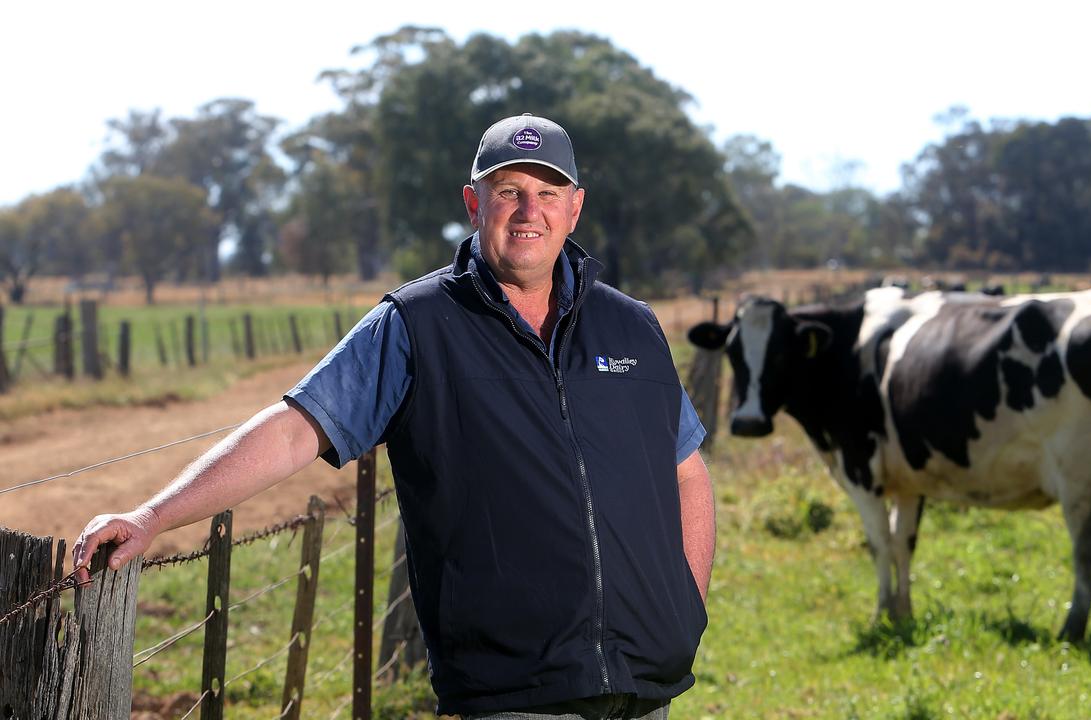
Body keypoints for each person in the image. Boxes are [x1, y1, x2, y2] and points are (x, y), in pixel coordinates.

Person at [72, 113, 714, 720]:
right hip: (517, 688)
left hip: (645, 686)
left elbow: (685, 471)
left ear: (575, 207)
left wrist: (684, 609)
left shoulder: (632, 325)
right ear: (473, 203)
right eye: (508, 190)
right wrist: (152, 516)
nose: (529, 212)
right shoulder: (418, 324)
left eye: (549, 192)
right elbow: (296, 429)